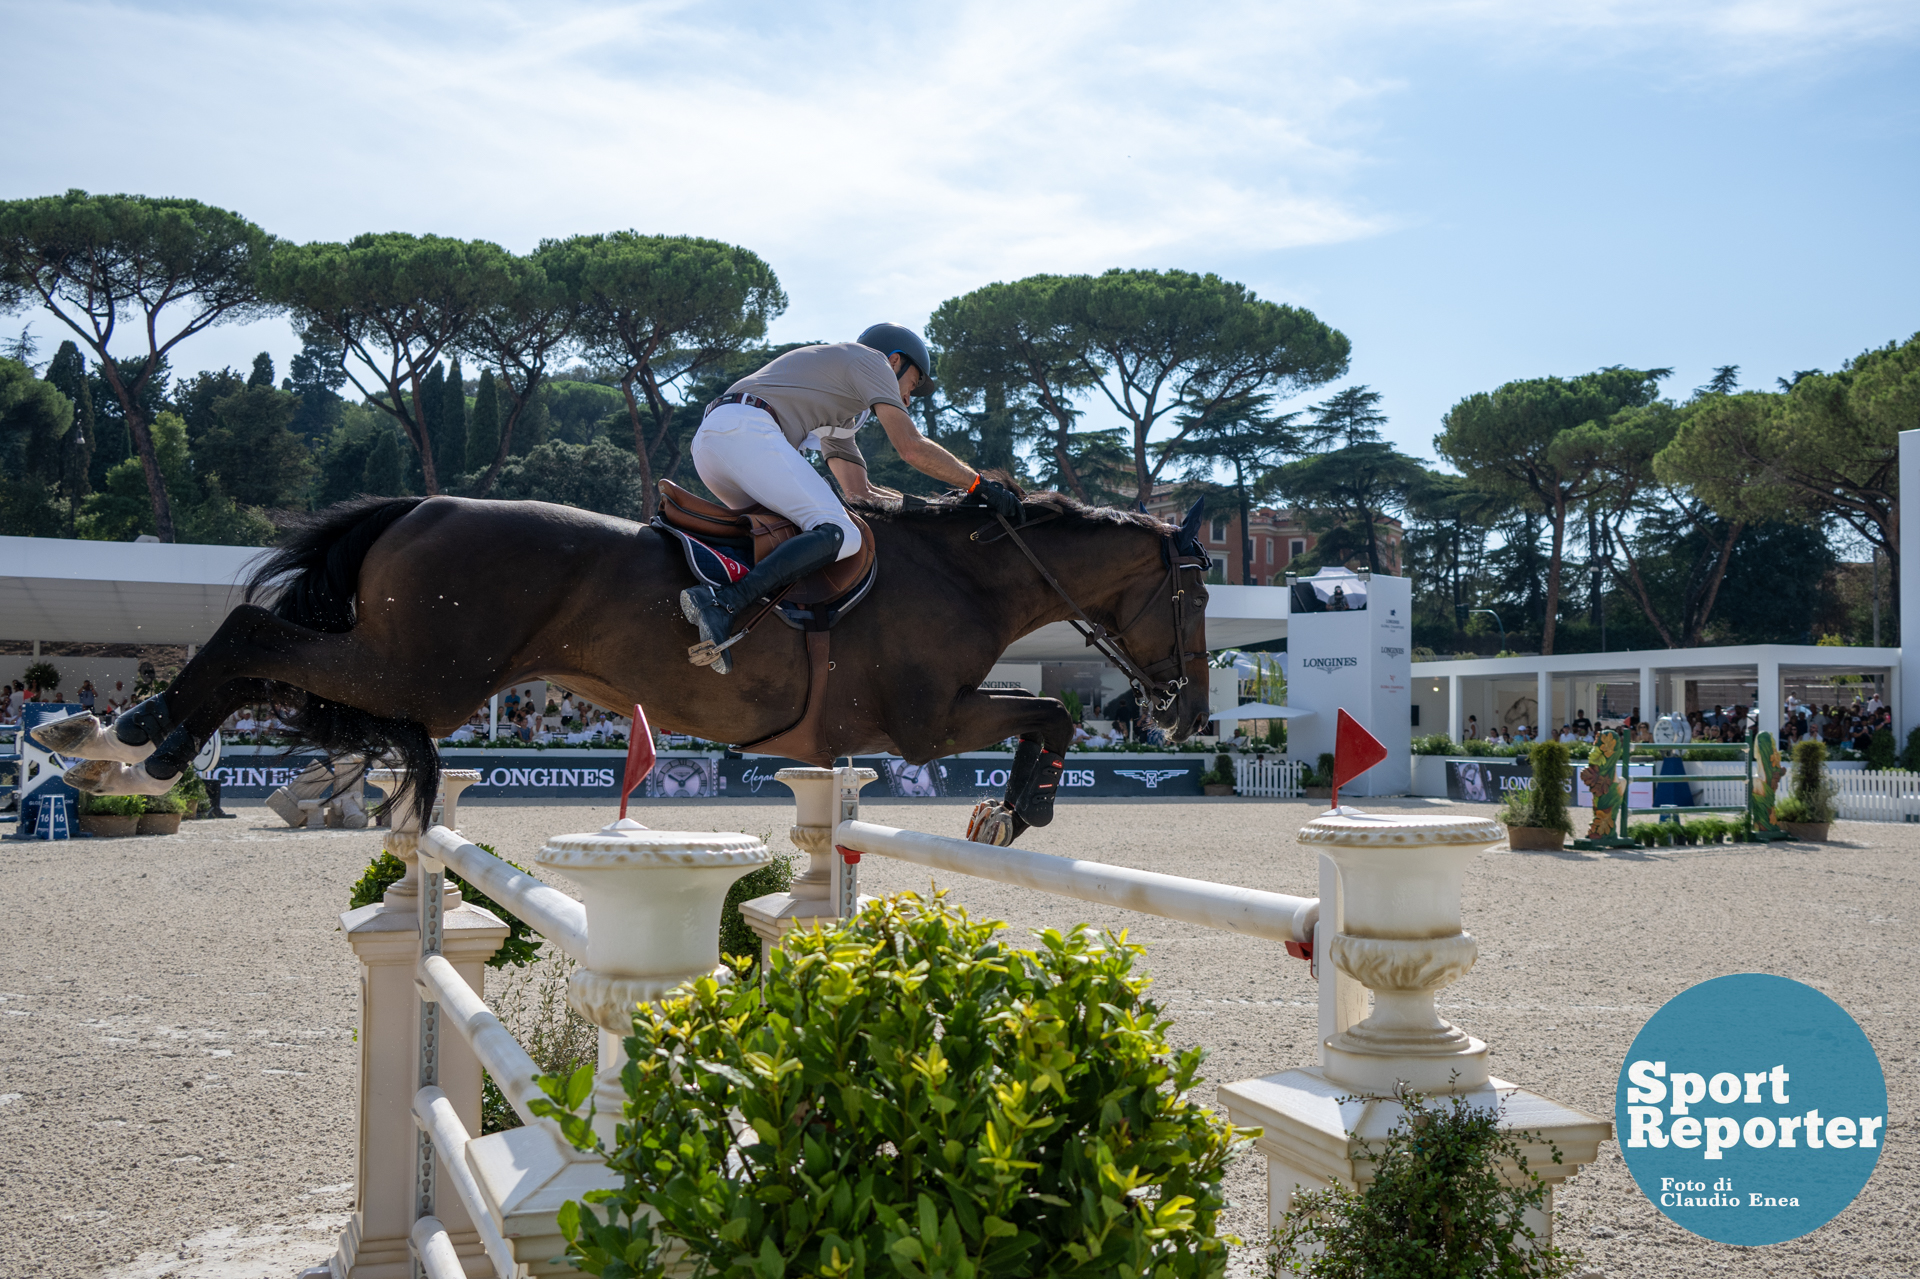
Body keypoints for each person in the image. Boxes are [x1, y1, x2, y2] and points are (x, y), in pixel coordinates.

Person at [678, 324, 1022, 675]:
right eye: (912, 385)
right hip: (744, 433)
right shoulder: (872, 361)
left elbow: (860, 494)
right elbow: (912, 448)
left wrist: (936, 507)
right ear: (895, 361)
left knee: (799, 535)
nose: (906, 398)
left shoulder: (841, 408)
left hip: (715, 445)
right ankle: (721, 603)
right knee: (841, 532)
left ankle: (749, 623)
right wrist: (979, 484)